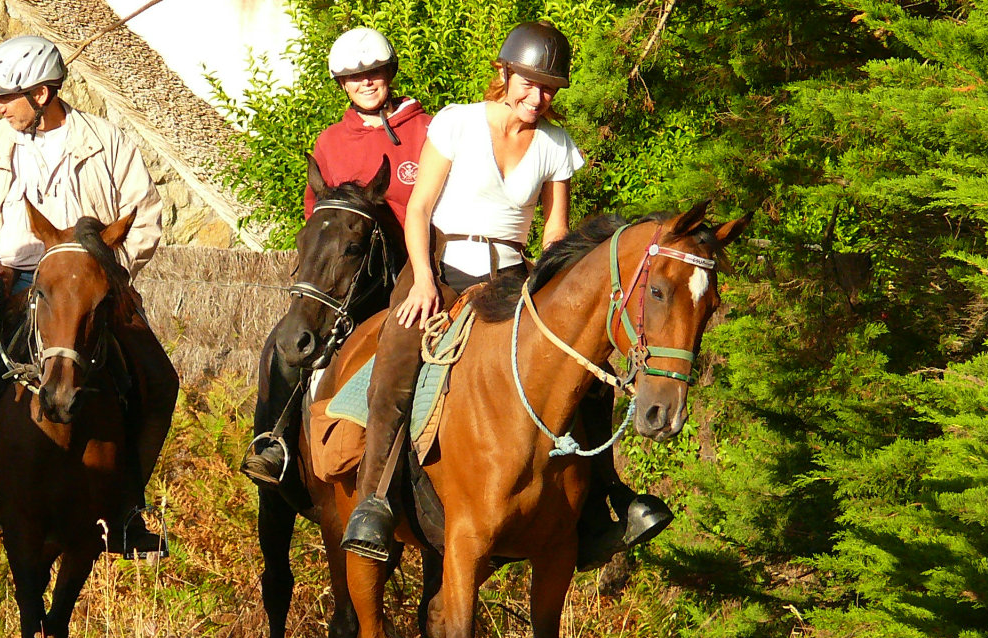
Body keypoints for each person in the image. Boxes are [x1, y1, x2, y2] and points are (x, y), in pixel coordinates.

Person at [339, 21, 670, 562]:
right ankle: (373, 504)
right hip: (441, 268)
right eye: (528, 84)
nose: (537, 98)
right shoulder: (457, 124)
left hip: (511, 279)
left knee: (585, 367)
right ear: (504, 73)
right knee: (396, 359)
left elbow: (555, 231)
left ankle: (602, 502)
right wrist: (422, 278)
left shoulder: (556, 145)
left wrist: (553, 290)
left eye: (548, 89)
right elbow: (419, 208)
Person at [0, 35, 177, 557]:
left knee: (159, 379)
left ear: (41, 93)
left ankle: (127, 510)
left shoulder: (107, 141)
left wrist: (106, 275)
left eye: (5, 96)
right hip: (5, 281)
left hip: (90, 290)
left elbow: (145, 216)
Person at [242, 27, 430, 485]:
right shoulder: (329, 143)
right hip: (345, 282)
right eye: (354, 77)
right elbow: (317, 221)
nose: (366, 83)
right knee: (286, 346)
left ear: (390, 74)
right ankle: (275, 442)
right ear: (342, 85)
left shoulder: (428, 131)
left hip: (413, 272)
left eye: (374, 73)